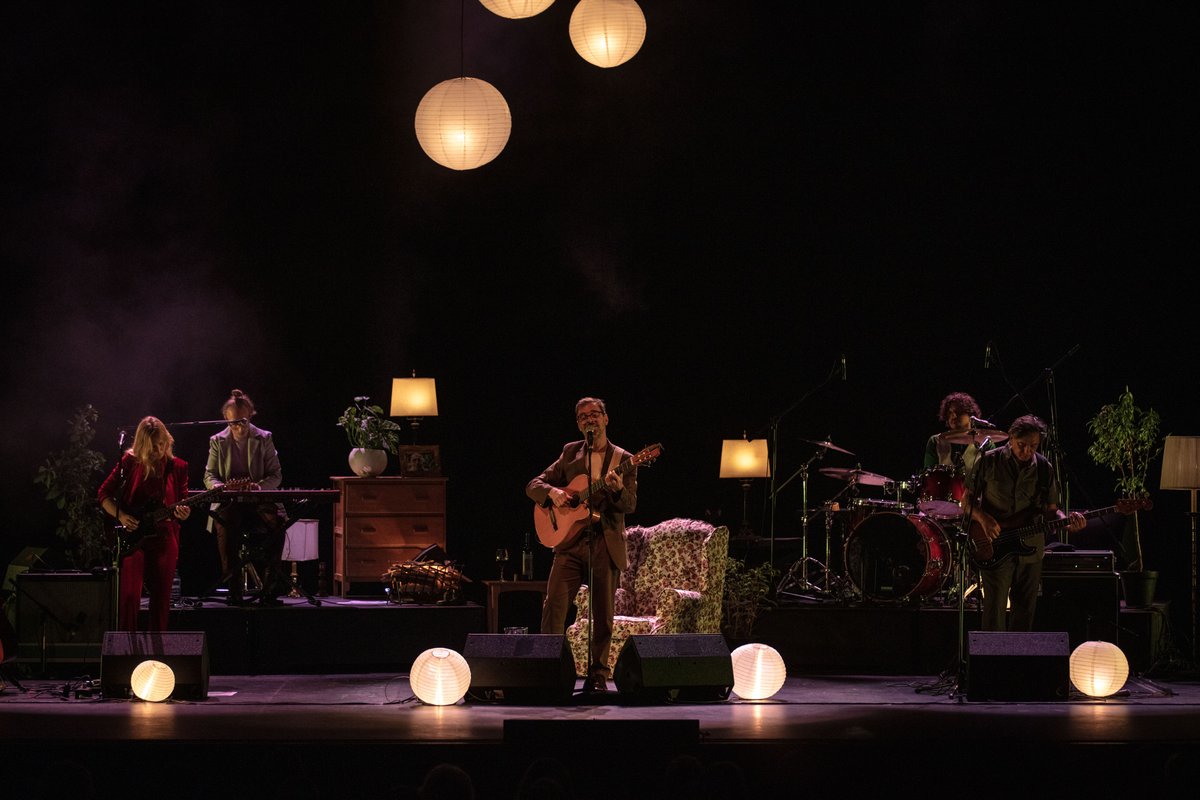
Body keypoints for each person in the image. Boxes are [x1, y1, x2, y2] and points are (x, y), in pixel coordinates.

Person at [526, 397, 637, 692]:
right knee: (554, 606)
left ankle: (598, 675)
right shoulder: (570, 453)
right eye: (583, 416)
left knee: (603, 614)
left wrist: (618, 490)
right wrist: (552, 493)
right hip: (569, 544)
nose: (590, 419)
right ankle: (551, 669)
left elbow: (630, 504)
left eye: (595, 414)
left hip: (604, 541)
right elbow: (533, 485)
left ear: (606, 418)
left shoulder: (624, 459)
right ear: (578, 424)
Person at [961, 414, 1086, 631]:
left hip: (1031, 549)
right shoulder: (988, 461)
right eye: (1022, 445)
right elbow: (966, 501)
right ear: (1010, 437)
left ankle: (1019, 654)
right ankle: (992, 654)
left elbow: (1051, 511)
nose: (1027, 451)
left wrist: (1067, 522)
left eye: (1033, 446)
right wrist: (984, 519)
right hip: (995, 544)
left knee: (1025, 613)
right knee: (994, 614)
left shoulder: (1044, 468)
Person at [98, 416, 191, 632]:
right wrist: (121, 516)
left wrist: (184, 513)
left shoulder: (178, 466)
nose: (159, 450)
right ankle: (125, 646)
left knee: (161, 600)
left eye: (162, 444)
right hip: (134, 537)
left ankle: (157, 649)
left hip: (164, 536)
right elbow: (103, 494)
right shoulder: (129, 462)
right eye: (153, 446)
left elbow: (183, 504)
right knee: (129, 597)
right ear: (142, 445)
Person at [203, 389, 286, 605]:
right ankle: (234, 589)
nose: (239, 428)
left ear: (250, 416)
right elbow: (209, 475)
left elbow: (276, 475)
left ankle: (269, 589)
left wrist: (259, 487)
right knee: (225, 526)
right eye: (233, 423)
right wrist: (221, 487)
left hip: (258, 501)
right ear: (226, 419)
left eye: (243, 422)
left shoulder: (264, 438)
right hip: (229, 502)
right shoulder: (217, 441)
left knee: (278, 523)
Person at [923, 391, 991, 472]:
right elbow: (928, 475)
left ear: (971, 414)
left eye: (959, 412)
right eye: (950, 413)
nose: (954, 416)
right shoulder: (935, 441)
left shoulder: (986, 442)